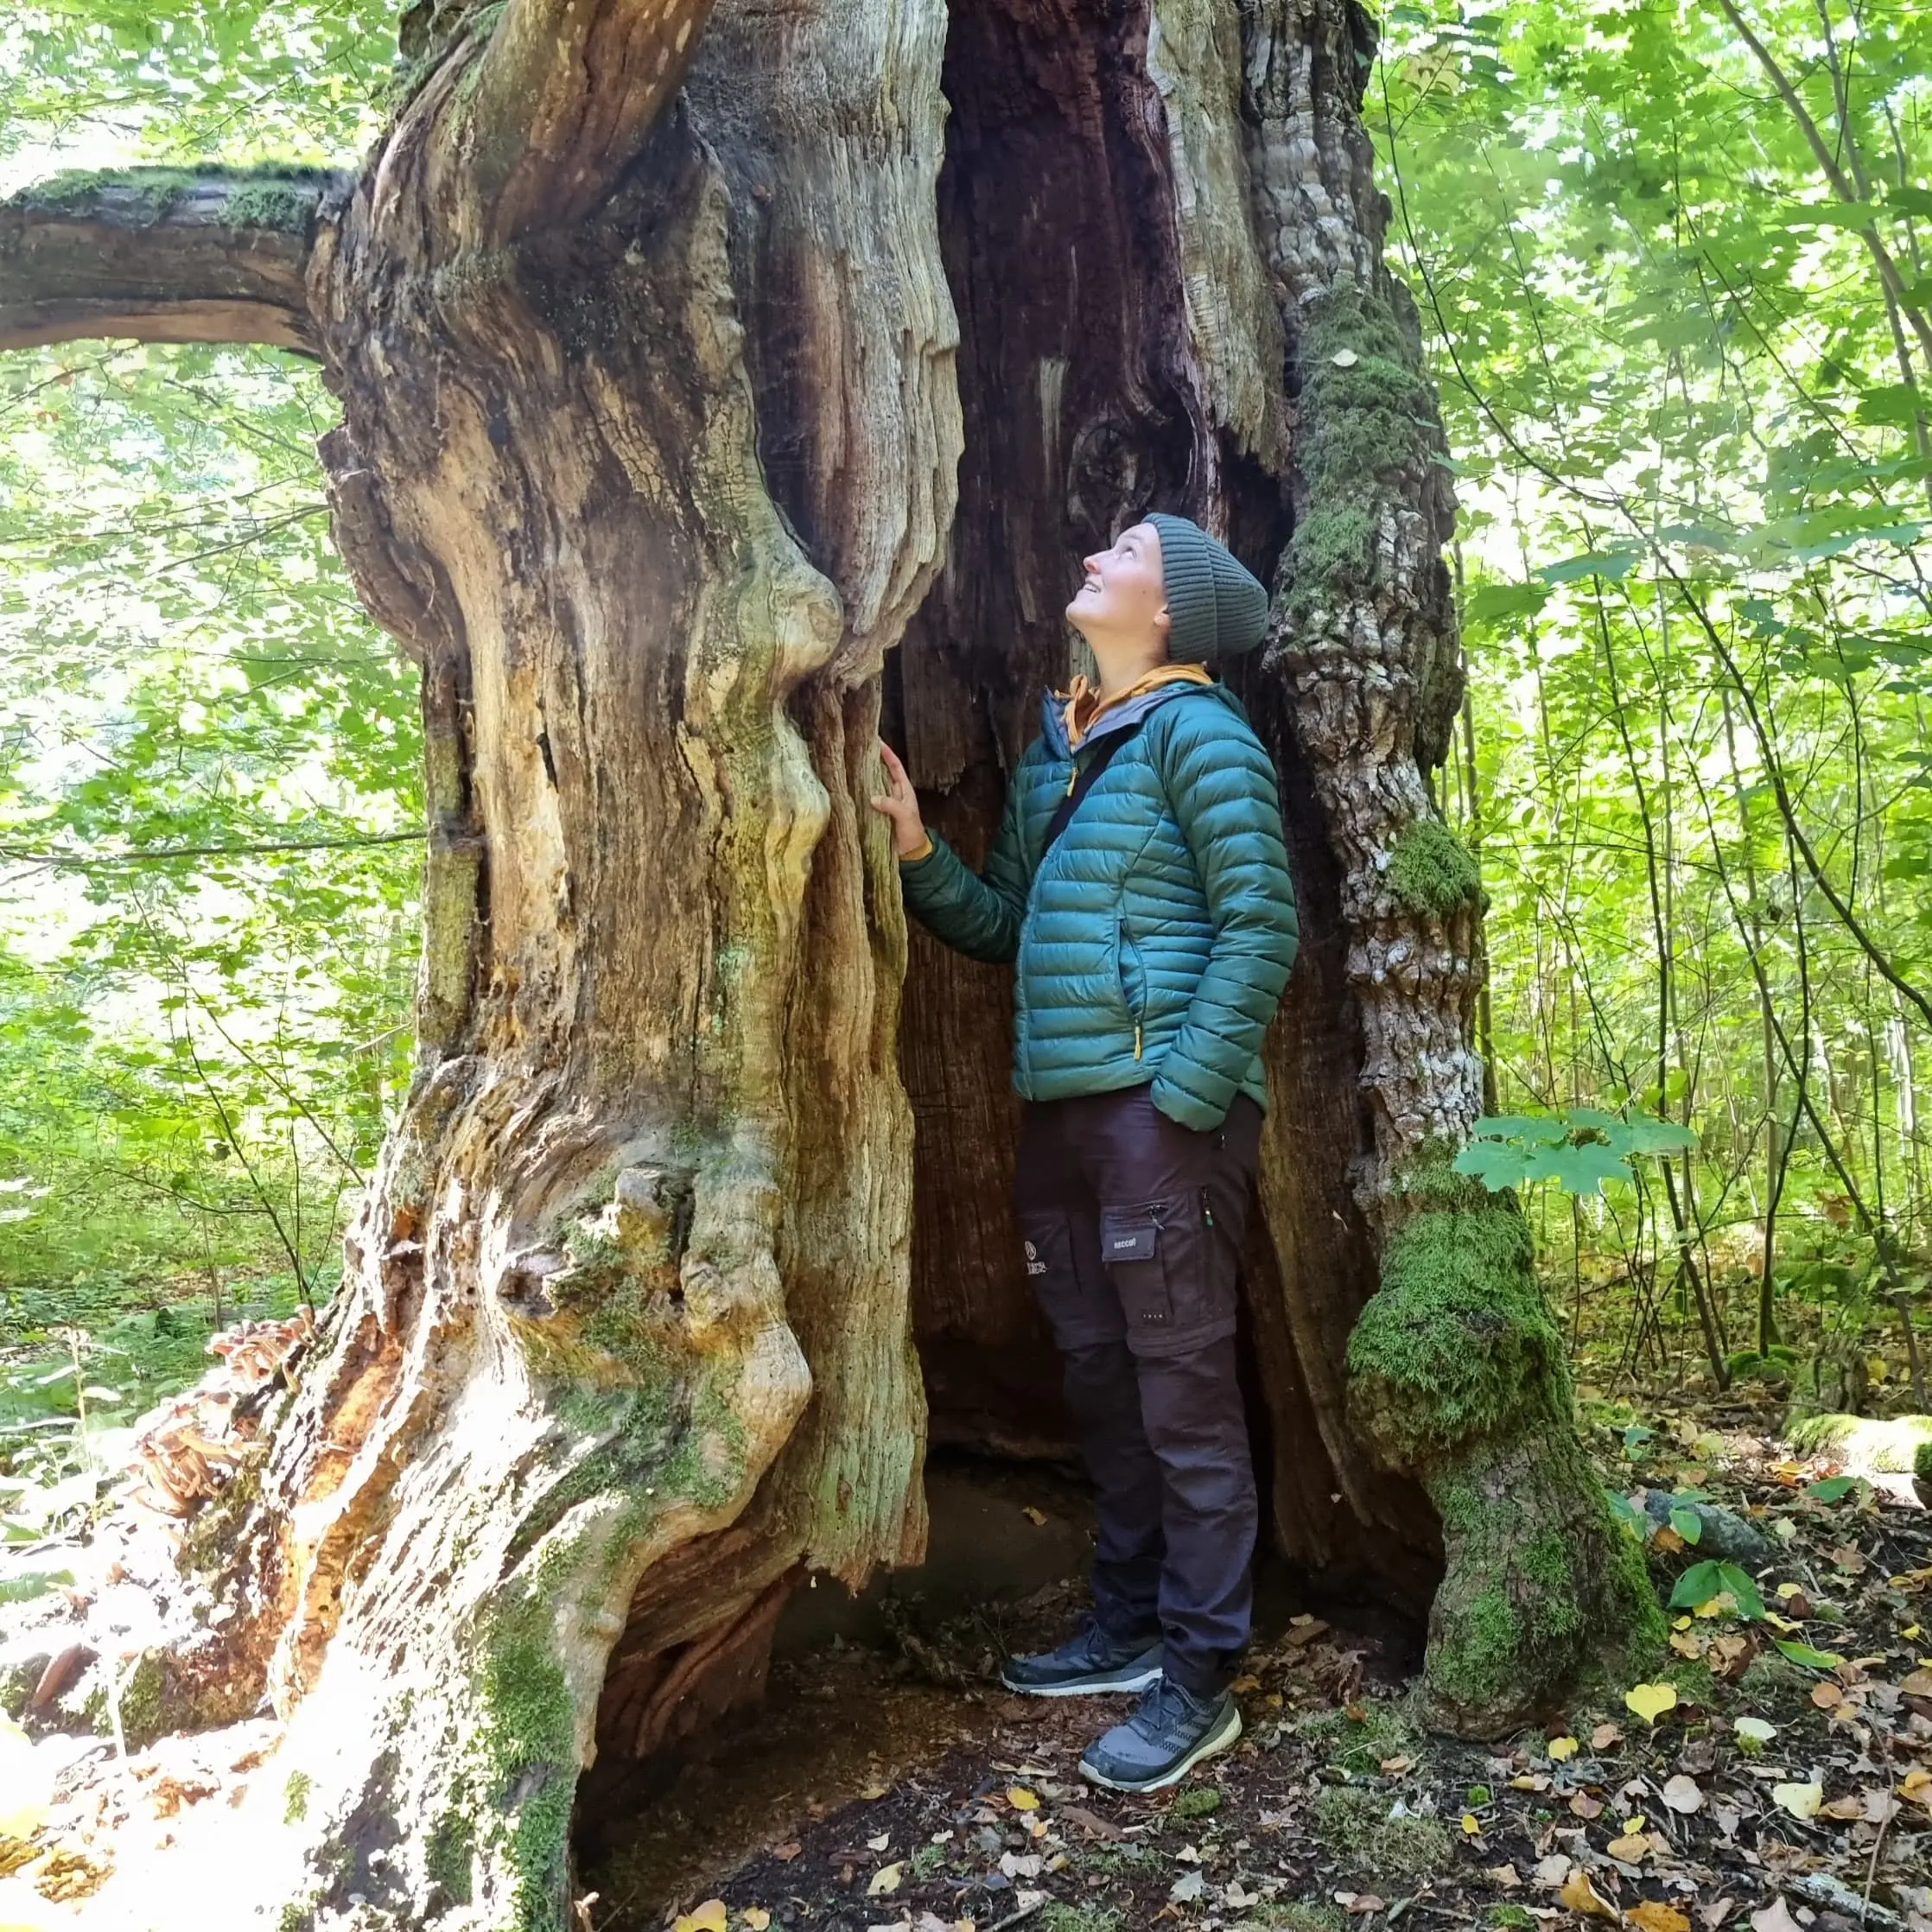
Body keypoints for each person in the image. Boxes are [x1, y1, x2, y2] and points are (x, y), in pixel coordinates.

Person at [870, 513, 1298, 1793]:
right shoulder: (1059, 750)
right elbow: (1007, 929)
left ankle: (1202, 1671)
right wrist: (915, 853)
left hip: (1160, 1119)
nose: (1098, 559)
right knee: (1102, 1378)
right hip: (1059, 1117)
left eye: (1129, 553)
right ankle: (1125, 1624)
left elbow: (1260, 922)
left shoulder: (1202, 734)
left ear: (1169, 616)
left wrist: (1183, 1093)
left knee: (1184, 1391)